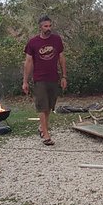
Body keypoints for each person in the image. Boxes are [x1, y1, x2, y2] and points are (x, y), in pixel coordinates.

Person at [22, 14, 67, 146]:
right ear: (40, 27)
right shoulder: (33, 42)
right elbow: (28, 62)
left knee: (49, 107)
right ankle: (46, 135)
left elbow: (62, 58)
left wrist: (64, 76)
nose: (48, 28)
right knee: (42, 106)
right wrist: (25, 81)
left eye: (50, 26)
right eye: (45, 26)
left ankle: (42, 127)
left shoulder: (56, 40)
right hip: (39, 78)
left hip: (53, 77)